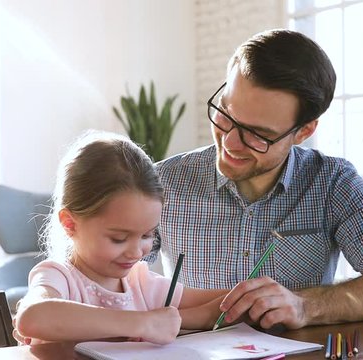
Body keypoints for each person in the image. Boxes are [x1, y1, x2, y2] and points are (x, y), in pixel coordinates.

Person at [147, 29, 363, 330]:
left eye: (258, 135)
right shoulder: (163, 181)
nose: (230, 143)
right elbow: (105, 280)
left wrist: (305, 305)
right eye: (225, 115)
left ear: (304, 132)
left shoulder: (333, 183)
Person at [14, 131, 227, 345]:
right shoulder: (60, 277)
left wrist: (257, 294)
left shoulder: (141, 283)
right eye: (118, 238)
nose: (136, 252)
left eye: (147, 235)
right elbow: (32, 317)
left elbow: (215, 308)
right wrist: (142, 323)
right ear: (70, 224)